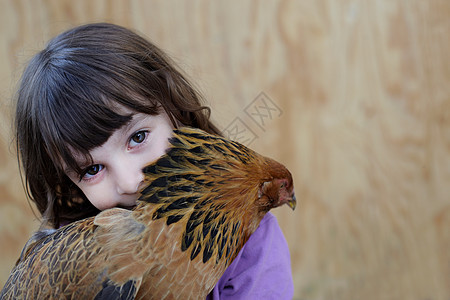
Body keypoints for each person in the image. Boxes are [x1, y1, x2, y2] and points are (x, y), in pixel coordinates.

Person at [14, 22, 294, 299]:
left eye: (137, 137)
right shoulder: (80, 251)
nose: (130, 180)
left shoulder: (255, 248)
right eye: (92, 169)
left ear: (174, 110)